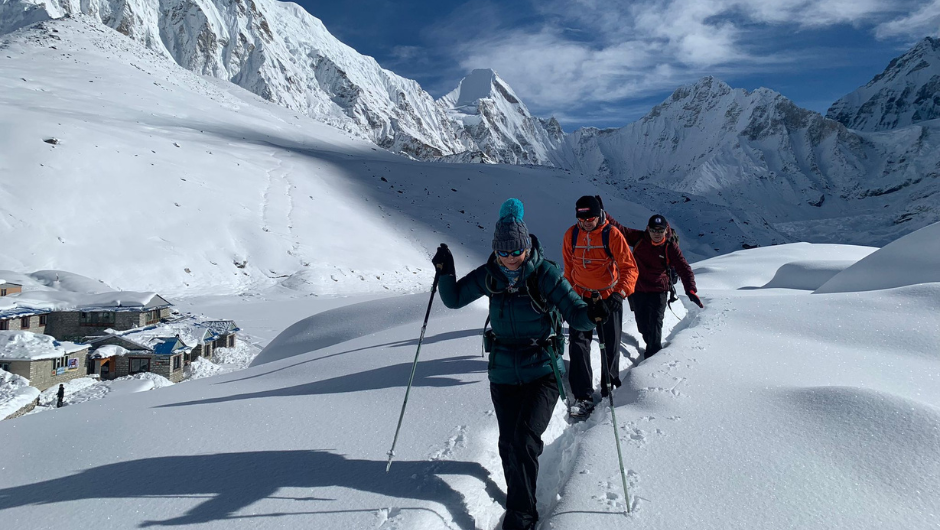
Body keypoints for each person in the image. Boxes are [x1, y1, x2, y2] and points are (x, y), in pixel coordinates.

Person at [432, 198, 608, 530]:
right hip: (502, 374)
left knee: (524, 440)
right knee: (507, 443)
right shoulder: (491, 276)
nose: (511, 258)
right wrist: (446, 272)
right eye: (504, 252)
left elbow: (575, 313)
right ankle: (519, 495)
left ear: (527, 246)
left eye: (516, 250)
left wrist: (593, 315)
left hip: (543, 372)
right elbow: (454, 299)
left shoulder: (545, 274)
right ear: (496, 250)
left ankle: (522, 515)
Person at [563, 195, 638, 416]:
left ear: (599, 215)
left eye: (590, 217)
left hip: (608, 297)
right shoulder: (572, 234)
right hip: (580, 296)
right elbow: (568, 269)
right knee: (578, 343)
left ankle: (609, 387)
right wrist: (567, 296)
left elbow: (629, 268)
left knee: (610, 343)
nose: (586, 222)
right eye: (581, 217)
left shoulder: (612, 234)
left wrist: (619, 294)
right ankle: (583, 395)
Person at [607, 213, 703, 359]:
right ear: (648, 229)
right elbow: (620, 229)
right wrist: (602, 213)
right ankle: (650, 345)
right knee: (643, 324)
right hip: (638, 289)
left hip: (659, 290)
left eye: (660, 231)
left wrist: (690, 289)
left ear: (666, 231)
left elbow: (684, 268)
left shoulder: (670, 247)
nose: (656, 234)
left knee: (656, 322)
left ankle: (653, 359)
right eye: (653, 230)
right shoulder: (639, 238)